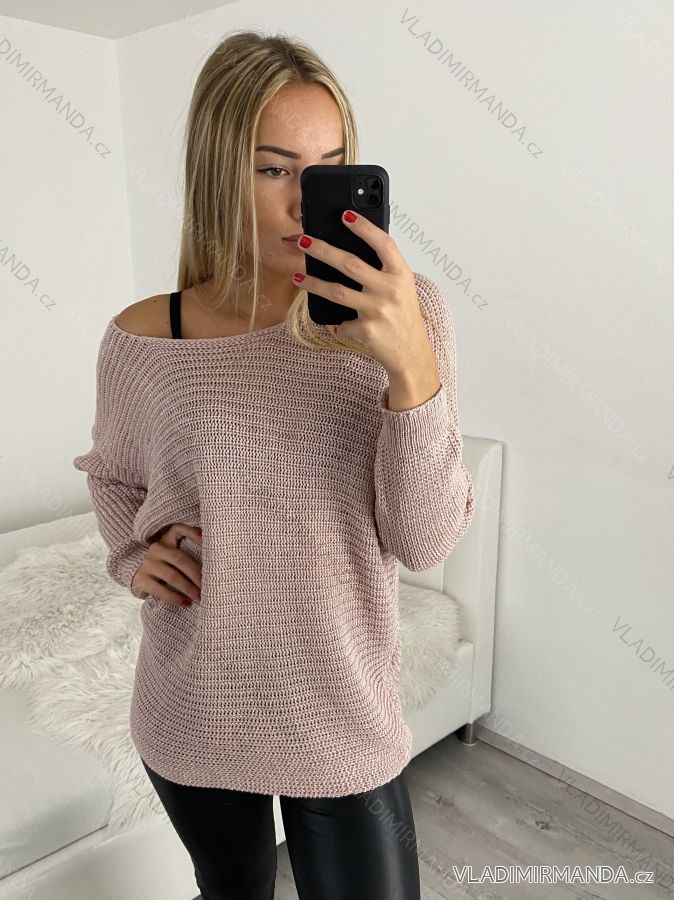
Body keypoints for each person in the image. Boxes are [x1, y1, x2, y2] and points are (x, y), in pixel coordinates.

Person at [73, 28, 475, 900]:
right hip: (193, 703)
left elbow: (425, 538)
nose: (305, 203)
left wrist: (410, 367)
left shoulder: (409, 314)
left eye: (328, 169)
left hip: (341, 709)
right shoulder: (144, 337)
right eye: (273, 169)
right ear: (219, 173)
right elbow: (112, 473)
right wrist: (132, 555)